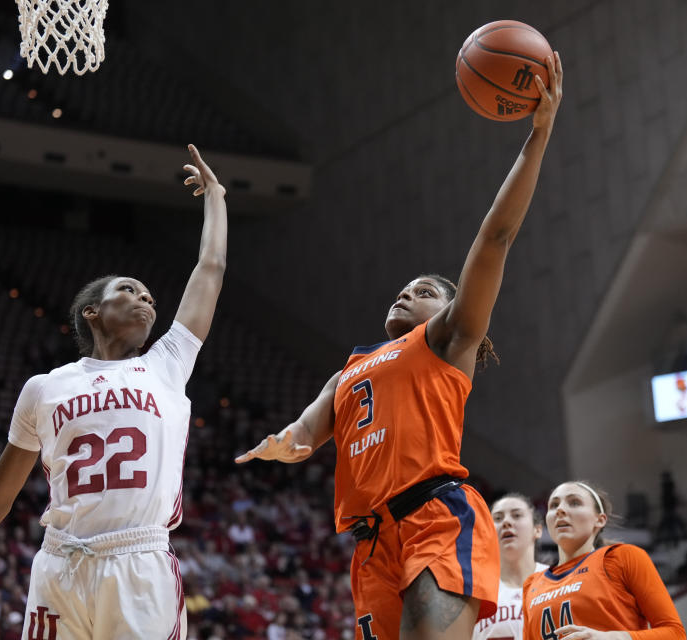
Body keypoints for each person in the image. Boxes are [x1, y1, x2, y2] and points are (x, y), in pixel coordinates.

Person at [236, 53, 564, 640]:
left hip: (436, 517)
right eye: (406, 287)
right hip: (371, 541)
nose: (408, 291)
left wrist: (537, 137)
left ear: (453, 309)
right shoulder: (351, 368)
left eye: (427, 291)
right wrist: (284, 445)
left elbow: (497, 233)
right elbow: (308, 433)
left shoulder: (445, 343)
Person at [0, 144, 227, 639]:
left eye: (149, 296)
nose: (145, 298)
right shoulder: (46, 387)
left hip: (138, 562)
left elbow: (209, 268)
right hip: (60, 564)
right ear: (91, 313)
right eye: (129, 289)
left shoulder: (166, 365)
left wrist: (217, 198)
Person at [523, 482, 685, 640]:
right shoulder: (531, 584)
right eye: (553, 505)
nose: (560, 510)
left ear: (599, 520)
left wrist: (615, 637)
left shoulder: (623, 557)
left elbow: (675, 634)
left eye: (574, 502)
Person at [472, 494, 548, 640]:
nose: (506, 522)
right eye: (498, 518)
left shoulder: (560, 580)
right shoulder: (475, 592)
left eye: (517, 515)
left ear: (537, 530)